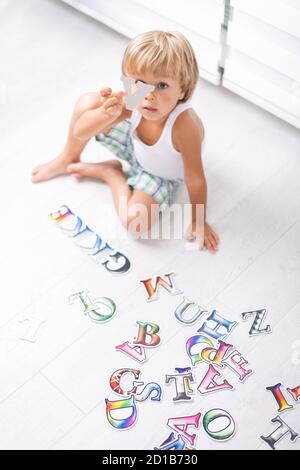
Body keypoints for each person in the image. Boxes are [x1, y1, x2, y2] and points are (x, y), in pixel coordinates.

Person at [32, 30, 219, 253]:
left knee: (134, 223)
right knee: (87, 103)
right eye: (140, 82)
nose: (149, 95)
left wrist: (199, 221)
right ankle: (67, 158)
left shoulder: (185, 126)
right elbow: (81, 131)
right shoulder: (133, 99)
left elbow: (195, 179)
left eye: (161, 85)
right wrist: (105, 114)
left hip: (161, 174)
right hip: (135, 146)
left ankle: (111, 174)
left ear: (183, 89)